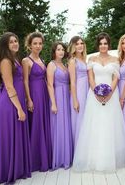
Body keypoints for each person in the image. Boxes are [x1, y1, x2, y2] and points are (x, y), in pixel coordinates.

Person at [73, 32, 125, 172]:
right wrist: (96, 92)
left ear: (108, 45)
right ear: (97, 45)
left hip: (111, 94)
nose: (103, 46)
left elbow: (116, 78)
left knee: (109, 125)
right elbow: (91, 78)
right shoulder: (91, 58)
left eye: (105, 43)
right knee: (94, 125)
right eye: (100, 43)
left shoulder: (115, 59)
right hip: (94, 95)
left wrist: (109, 92)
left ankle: (109, 159)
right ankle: (94, 159)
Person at [0, 32, 31, 184]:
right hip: (10, 105)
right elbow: (9, 86)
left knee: (17, 136)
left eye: (16, 40)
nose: (15, 43)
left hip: (16, 102)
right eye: (11, 42)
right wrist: (20, 109)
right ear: (5, 46)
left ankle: (18, 168)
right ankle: (9, 171)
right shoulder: (5, 61)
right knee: (10, 137)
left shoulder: (15, 59)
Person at [22, 32, 52, 172]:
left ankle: (44, 158)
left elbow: (46, 80)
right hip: (34, 94)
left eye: (40, 43)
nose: (38, 46)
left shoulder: (42, 60)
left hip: (43, 95)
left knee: (42, 124)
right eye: (35, 43)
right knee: (36, 125)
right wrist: (29, 99)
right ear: (29, 45)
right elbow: (25, 81)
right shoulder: (26, 61)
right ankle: (35, 161)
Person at [47, 42, 73, 170]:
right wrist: (53, 103)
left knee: (66, 125)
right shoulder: (51, 65)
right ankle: (59, 158)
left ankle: (67, 156)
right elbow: (50, 85)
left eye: (62, 49)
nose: (61, 52)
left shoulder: (64, 64)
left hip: (66, 97)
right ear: (54, 51)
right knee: (58, 126)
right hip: (57, 96)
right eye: (58, 49)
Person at [68, 36, 89, 149]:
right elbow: (72, 82)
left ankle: (86, 150)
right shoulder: (73, 61)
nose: (80, 45)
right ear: (73, 46)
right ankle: (78, 150)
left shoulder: (84, 60)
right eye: (77, 44)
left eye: (81, 43)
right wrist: (75, 100)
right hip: (79, 92)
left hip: (87, 91)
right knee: (79, 120)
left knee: (87, 120)